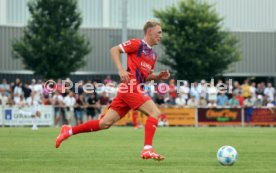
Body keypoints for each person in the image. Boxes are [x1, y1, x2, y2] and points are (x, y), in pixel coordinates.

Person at [55, 20, 170, 160]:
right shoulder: (137, 43)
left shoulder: (153, 55)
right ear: (150, 32)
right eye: (159, 32)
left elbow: (144, 77)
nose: (161, 35)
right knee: (155, 112)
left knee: (104, 123)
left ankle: (69, 130)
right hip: (129, 87)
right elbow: (114, 49)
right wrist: (121, 70)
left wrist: (158, 76)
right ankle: (147, 149)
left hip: (133, 88)